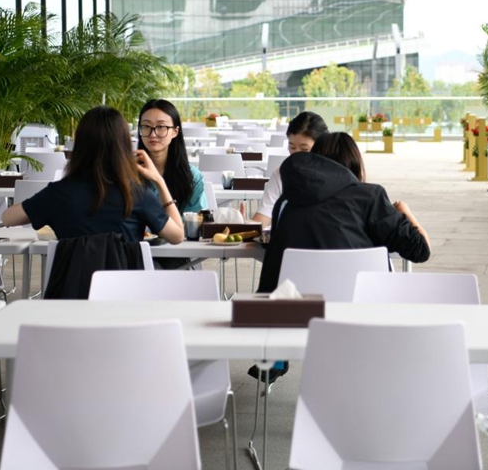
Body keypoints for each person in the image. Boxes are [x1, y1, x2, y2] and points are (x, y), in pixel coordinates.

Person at [250, 132, 431, 384]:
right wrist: (404, 212)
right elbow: (420, 250)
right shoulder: (371, 197)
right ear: (354, 165)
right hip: (362, 315)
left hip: (293, 317)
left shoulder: (287, 203)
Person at [2, 106, 184, 244]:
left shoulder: (59, 193)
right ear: (123, 146)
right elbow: (177, 236)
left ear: (80, 145)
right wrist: (159, 181)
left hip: (71, 291)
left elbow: (7, 218)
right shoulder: (137, 195)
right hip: (125, 292)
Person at [249, 111, 329, 227]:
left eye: (304, 149)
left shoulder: (340, 176)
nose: (296, 154)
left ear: (322, 145)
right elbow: (265, 215)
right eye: (292, 147)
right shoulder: (281, 174)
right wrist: (245, 227)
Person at [137, 99, 207, 214]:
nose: (153, 134)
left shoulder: (192, 177)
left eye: (161, 127)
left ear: (175, 131)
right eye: (146, 126)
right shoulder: (127, 173)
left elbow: (194, 223)